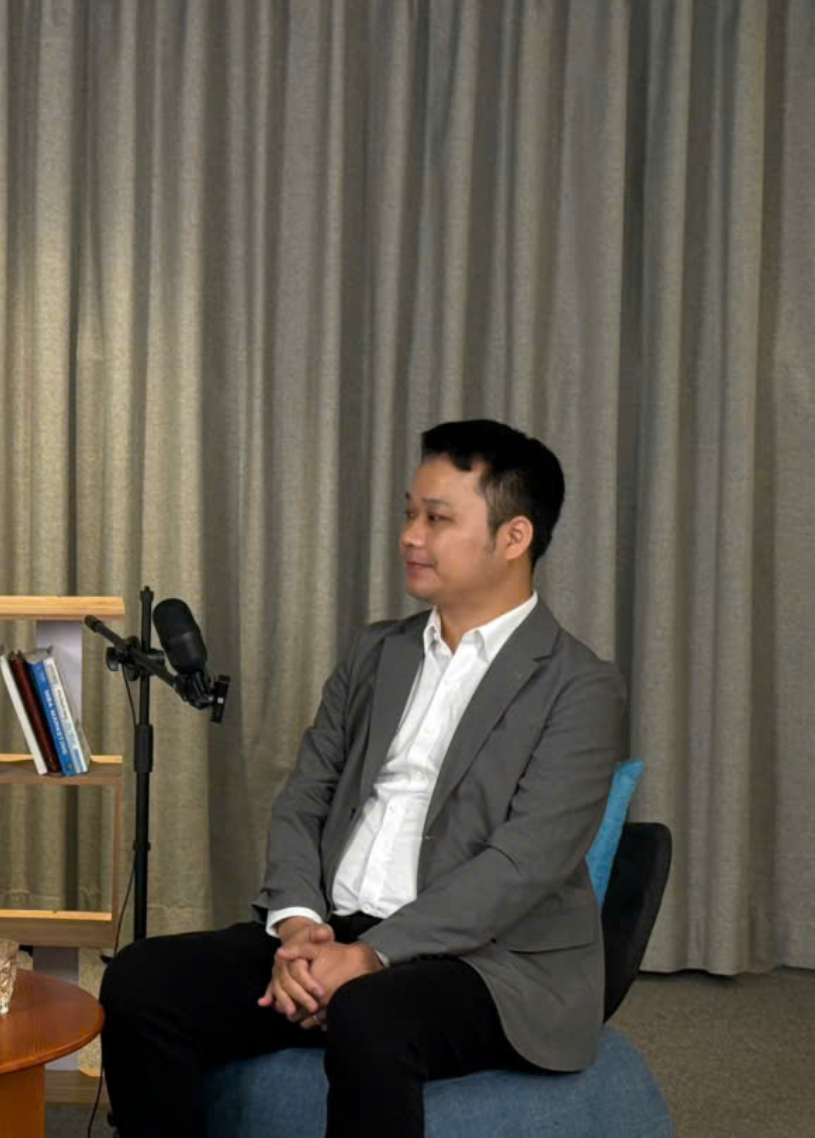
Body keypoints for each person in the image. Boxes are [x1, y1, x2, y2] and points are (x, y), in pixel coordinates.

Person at [99, 420, 626, 1136]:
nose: (411, 536)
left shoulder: (579, 686)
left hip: (487, 962)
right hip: (332, 930)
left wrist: (373, 955)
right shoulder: (377, 651)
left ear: (514, 537)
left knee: (371, 1012)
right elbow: (303, 797)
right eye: (410, 513)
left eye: (437, 519)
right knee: (142, 980)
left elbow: (522, 865)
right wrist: (299, 929)